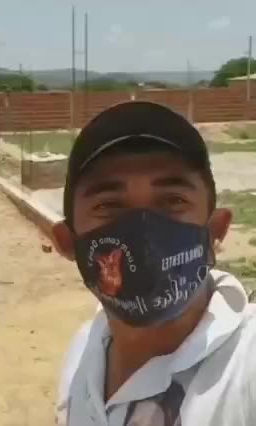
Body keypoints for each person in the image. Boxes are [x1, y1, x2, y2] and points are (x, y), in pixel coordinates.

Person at [52, 101, 256, 425]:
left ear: (215, 231)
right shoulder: (83, 352)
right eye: (108, 205)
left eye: (173, 200)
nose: (143, 231)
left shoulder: (246, 367)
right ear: (67, 242)